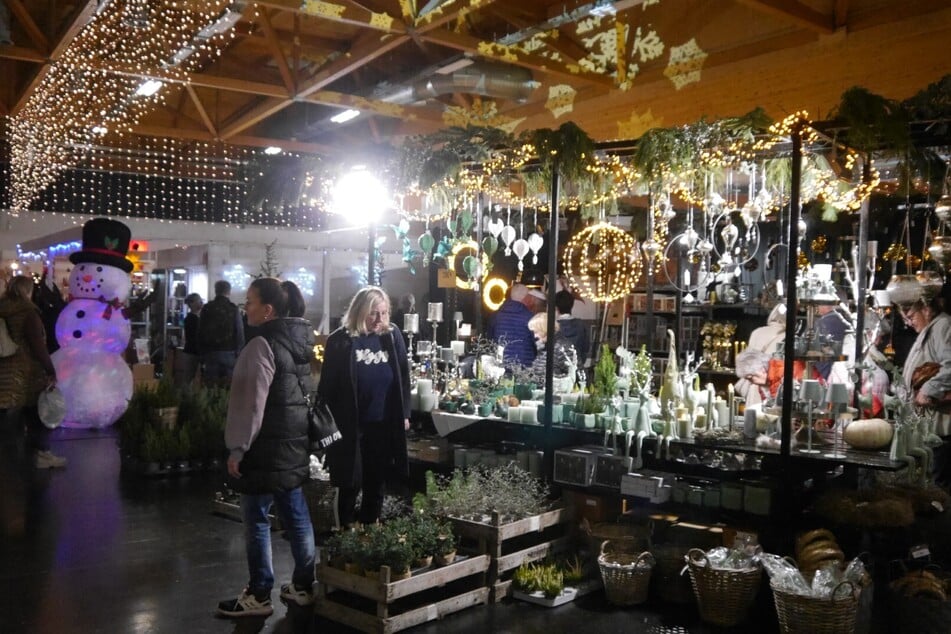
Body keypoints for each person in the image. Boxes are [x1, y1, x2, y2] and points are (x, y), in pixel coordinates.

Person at [217, 278, 317, 618]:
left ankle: (260, 593)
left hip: (264, 448)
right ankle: (304, 585)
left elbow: (250, 404)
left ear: (268, 309)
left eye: (250, 301)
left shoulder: (261, 344)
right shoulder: (299, 340)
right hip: (292, 445)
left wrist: (237, 448)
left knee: (256, 518)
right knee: (297, 516)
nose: (246, 308)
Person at [318, 286, 411, 527]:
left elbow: (402, 376)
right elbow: (326, 388)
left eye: (384, 313)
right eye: (373, 313)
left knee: (377, 481)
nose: (379, 320)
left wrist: (405, 414)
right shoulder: (341, 340)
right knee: (350, 482)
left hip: (381, 423)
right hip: (350, 425)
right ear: (360, 311)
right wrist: (327, 428)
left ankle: (370, 530)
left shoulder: (391, 336)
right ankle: (345, 533)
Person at [0, 276, 64, 469]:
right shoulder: (28, 312)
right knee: (38, 414)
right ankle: (41, 455)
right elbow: (37, 345)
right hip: (26, 373)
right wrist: (50, 369)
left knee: (7, 416)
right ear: (28, 290)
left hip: (4, 370)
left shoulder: (3, 308)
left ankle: (12, 459)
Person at [899, 293, 951, 437]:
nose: (909, 323)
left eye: (911, 317)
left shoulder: (943, 325)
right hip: (928, 425)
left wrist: (928, 390)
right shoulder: (932, 328)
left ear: (926, 310)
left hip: (940, 428)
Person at [198, 280, 245, 385]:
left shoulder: (207, 308)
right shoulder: (233, 309)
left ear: (215, 291)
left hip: (211, 352)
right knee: (228, 388)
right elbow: (239, 332)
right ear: (229, 292)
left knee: (210, 387)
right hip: (229, 352)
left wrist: (201, 354)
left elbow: (200, 331)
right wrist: (239, 353)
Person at [487, 283, 538, 369]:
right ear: (525, 298)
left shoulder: (496, 315)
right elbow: (536, 343)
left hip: (501, 364)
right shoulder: (529, 317)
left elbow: (490, 340)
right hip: (524, 366)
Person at [527, 312, 575, 380]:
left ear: (544, 330)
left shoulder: (562, 348)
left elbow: (576, 375)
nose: (535, 336)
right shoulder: (544, 347)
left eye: (536, 332)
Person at [555, 290, 589, 369]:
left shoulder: (552, 326)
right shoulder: (581, 325)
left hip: (557, 371)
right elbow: (585, 349)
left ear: (556, 307)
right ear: (572, 305)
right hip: (576, 367)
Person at [177, 293, 203, 387]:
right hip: (192, 352)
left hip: (191, 351)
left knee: (188, 378)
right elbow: (195, 337)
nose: (201, 303)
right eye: (199, 301)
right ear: (192, 304)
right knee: (188, 378)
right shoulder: (192, 319)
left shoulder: (194, 318)